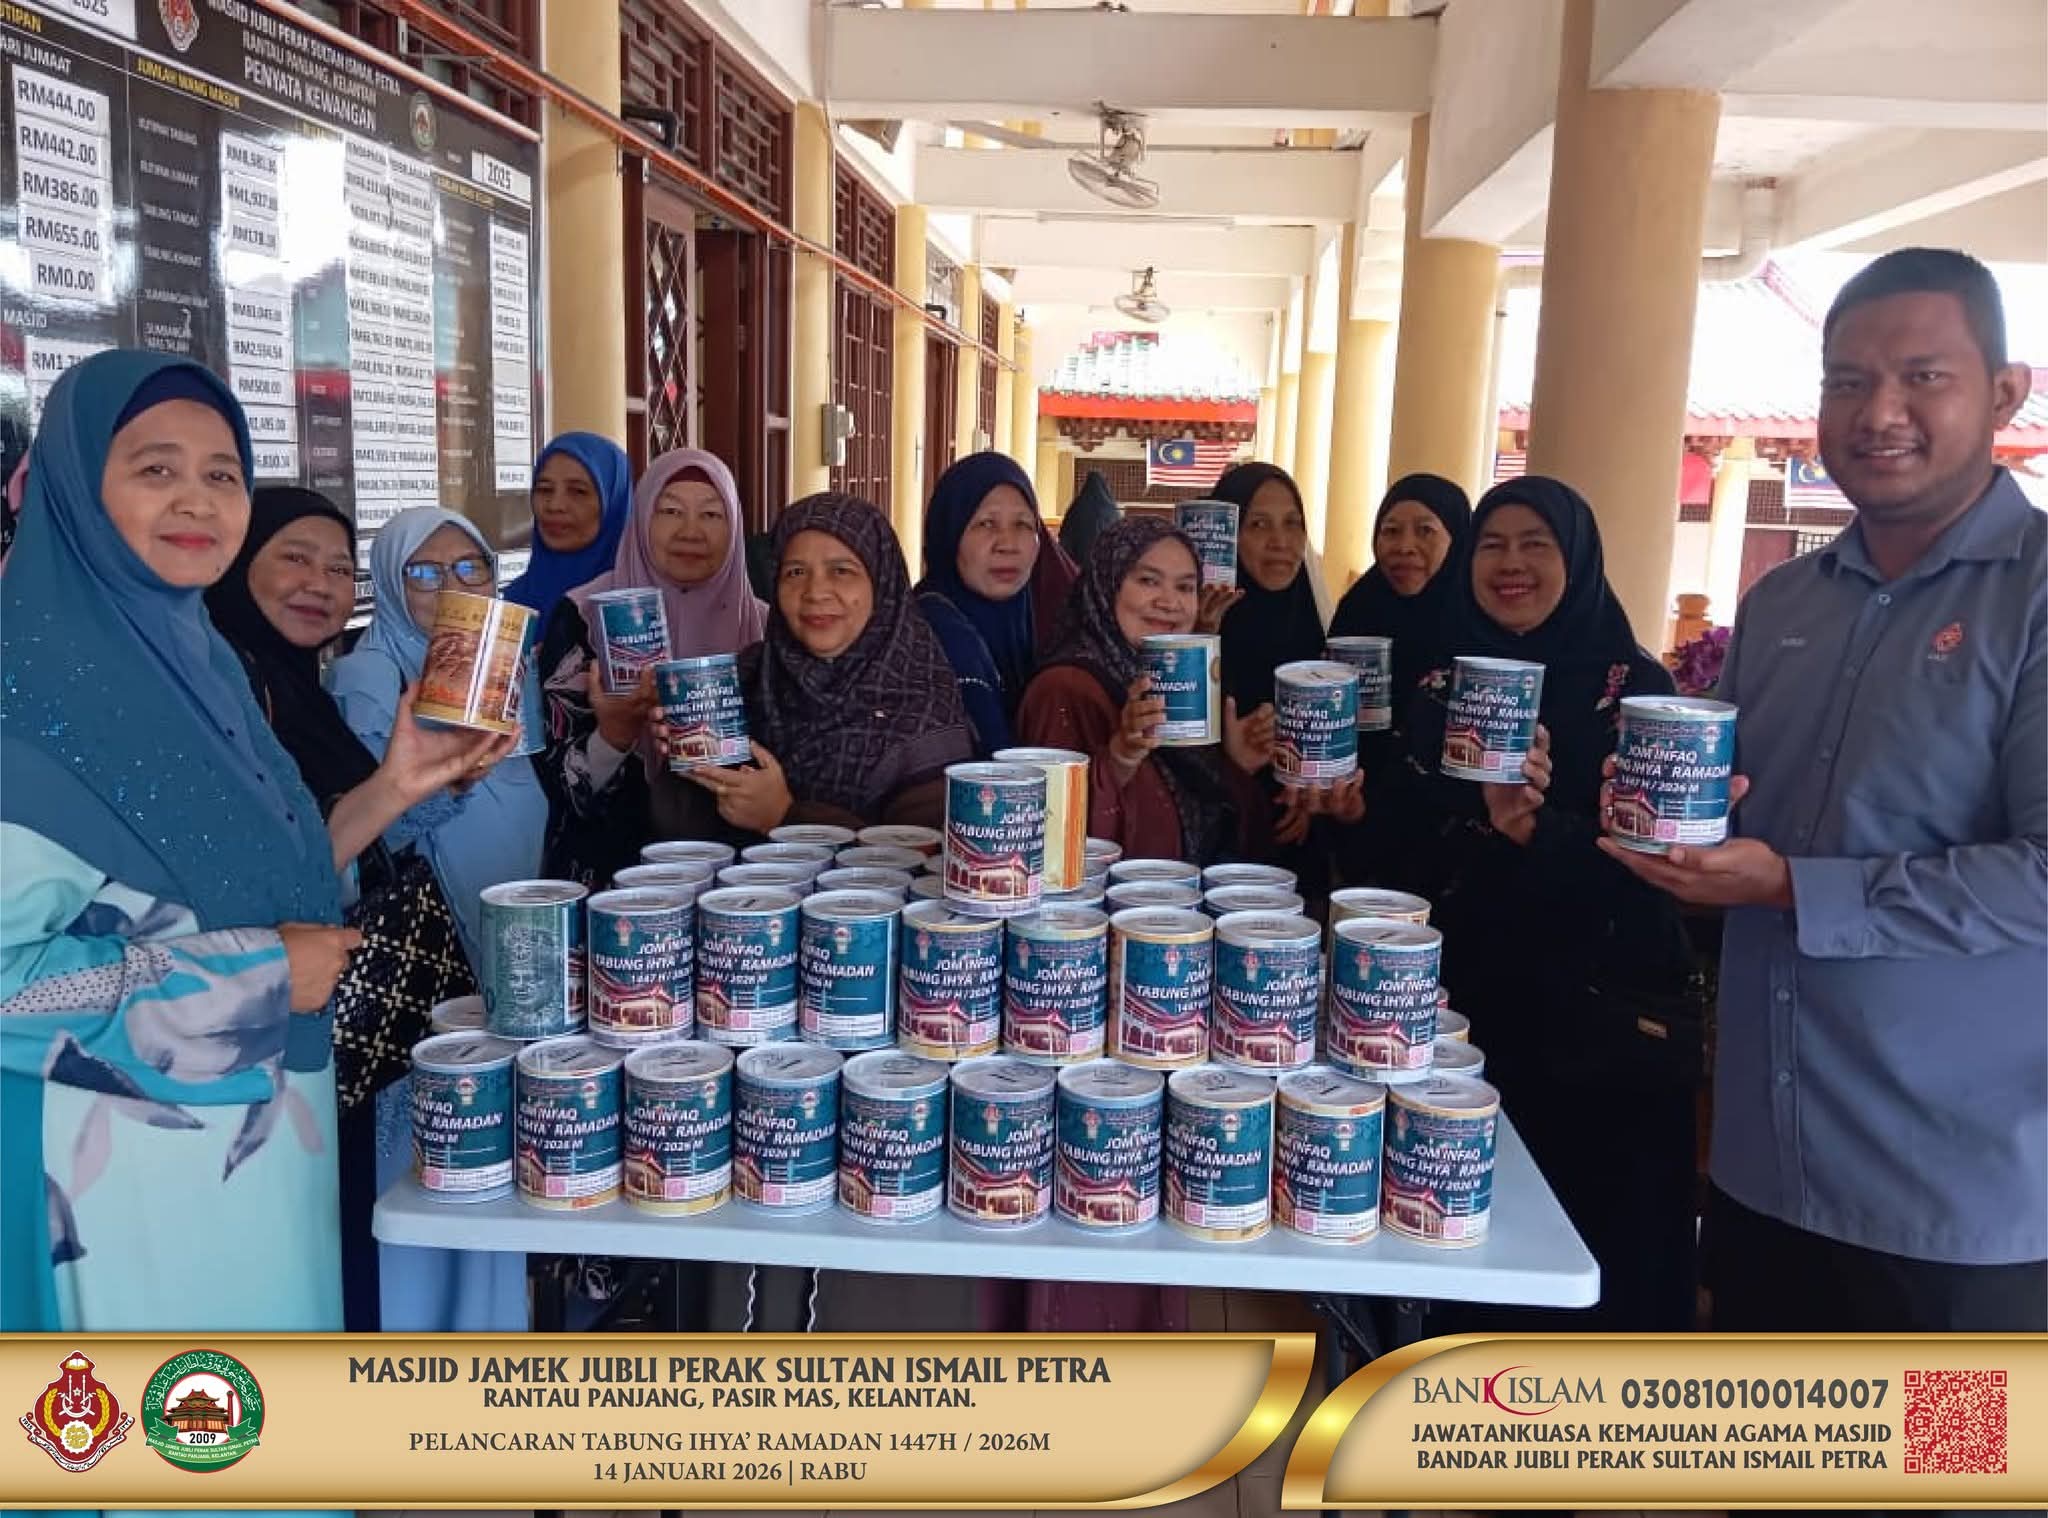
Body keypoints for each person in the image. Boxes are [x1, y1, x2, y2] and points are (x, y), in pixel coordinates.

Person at [1605, 247, 2046, 1333]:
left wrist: (1791, 888)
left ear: (2004, 392)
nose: (1877, 412)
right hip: (1765, 1169)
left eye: (1921, 377)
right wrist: (1658, 824)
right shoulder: (1786, 601)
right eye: (1847, 381)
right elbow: (1739, 831)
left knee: (1943, 1447)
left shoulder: (2032, 597)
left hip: (1956, 1204)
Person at [0, 352, 363, 1341]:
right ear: (76, 486)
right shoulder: (22, 689)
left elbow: (271, 884)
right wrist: (258, 981)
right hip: (121, 1186)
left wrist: (403, 783)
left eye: (222, 473)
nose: (196, 499)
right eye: (155, 468)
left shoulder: (205, 670)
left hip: (266, 1150)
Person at [1381, 476, 1699, 1331]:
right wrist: (1346, 807)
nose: (1510, 564)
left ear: (1578, 559)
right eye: (1491, 545)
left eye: (1535, 545)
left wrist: (1535, 830)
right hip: (1461, 1020)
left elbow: (1662, 869)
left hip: (1598, 1030)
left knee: (1596, 1254)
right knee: (1462, 1247)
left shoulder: (1636, 692)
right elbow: (1398, 846)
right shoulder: (1438, 684)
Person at [203, 487, 513, 1333]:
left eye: (339, 568)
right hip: (277, 1011)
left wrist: (426, 784)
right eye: (293, 559)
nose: (320, 584)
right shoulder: (232, 695)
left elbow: (339, 835)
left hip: (339, 996)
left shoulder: (288, 683)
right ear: (238, 564)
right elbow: (269, 870)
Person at [326, 506, 540, 1334]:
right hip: (430, 946)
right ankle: (420, 1343)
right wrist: (448, 787)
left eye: (469, 569)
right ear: (388, 584)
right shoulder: (370, 677)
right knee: (427, 1155)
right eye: (422, 572)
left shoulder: (503, 662)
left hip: (507, 926)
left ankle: (489, 1332)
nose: (450, 588)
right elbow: (381, 829)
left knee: (491, 1154)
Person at [536, 447, 767, 885]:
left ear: (736, 527)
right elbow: (552, 785)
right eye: (671, 511)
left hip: (743, 881)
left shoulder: (766, 629)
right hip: (610, 877)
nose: (690, 532)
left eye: (712, 515)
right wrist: (614, 735)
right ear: (641, 519)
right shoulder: (585, 616)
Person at [681, 492, 972, 838]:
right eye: (796, 572)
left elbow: (927, 858)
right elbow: (681, 829)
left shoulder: (923, 712)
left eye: (841, 571)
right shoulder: (749, 679)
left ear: (881, 583)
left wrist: (785, 815)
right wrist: (688, 757)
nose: (815, 592)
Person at [1016, 516, 1275, 862]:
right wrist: (1119, 759)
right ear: (1107, 585)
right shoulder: (1064, 690)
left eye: (1185, 587)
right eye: (1148, 581)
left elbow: (1210, 829)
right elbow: (1048, 844)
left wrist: (1235, 766)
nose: (1170, 602)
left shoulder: (1167, 684)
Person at [1209, 462, 1361, 883]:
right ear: (1228, 536)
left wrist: (1309, 794)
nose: (1281, 542)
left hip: (1299, 851)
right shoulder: (1198, 629)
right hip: (1217, 851)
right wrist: (1235, 767)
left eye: (1293, 524)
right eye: (1258, 524)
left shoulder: (1312, 628)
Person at [914, 450, 1078, 754]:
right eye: (986, 524)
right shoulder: (924, 636)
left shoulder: (1051, 620)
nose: (1008, 544)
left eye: (1023, 525)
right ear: (948, 534)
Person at [1328, 471, 1472, 702]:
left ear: (1457, 540)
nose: (1404, 548)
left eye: (1425, 531)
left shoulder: (1476, 623)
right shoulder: (1359, 608)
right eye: (1392, 531)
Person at [502, 431, 632, 619]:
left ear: (614, 504)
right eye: (545, 489)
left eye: (578, 492)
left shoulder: (640, 609)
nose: (555, 506)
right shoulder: (513, 603)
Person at [1057, 468, 1120, 563]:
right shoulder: (1111, 510)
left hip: (1078, 563)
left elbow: (1065, 536)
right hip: (1103, 563)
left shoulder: (1077, 507)